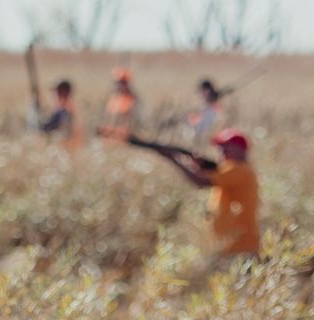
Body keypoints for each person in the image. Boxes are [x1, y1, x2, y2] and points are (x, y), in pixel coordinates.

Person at [142, 127, 261, 260]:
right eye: (220, 148)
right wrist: (196, 164)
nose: (221, 152)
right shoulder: (232, 169)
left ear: (239, 149)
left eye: (225, 148)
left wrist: (174, 158)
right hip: (231, 245)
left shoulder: (238, 170)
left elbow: (201, 181)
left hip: (239, 248)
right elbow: (210, 175)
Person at [34, 79, 84, 150]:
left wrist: (36, 113)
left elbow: (49, 127)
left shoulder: (66, 111)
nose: (54, 96)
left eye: (56, 92)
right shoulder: (71, 108)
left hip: (66, 149)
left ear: (62, 92)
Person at [100, 68, 140, 139]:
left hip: (125, 136)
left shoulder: (132, 99)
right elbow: (107, 118)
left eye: (122, 82)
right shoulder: (113, 98)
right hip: (110, 136)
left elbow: (131, 122)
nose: (119, 85)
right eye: (117, 82)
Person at [188, 78, 223, 144]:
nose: (201, 93)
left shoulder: (213, 107)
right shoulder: (203, 104)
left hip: (206, 132)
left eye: (203, 90)